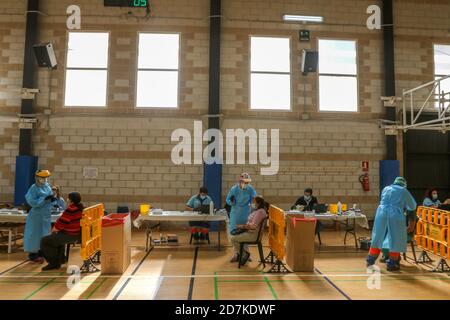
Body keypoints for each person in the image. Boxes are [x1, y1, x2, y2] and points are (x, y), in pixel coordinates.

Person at [366, 177, 417, 271]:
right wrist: (405, 208)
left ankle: (370, 261)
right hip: (395, 215)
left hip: (381, 213)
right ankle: (392, 264)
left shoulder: (386, 188)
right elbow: (412, 205)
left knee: (377, 237)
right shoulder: (403, 190)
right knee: (396, 239)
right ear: (403, 184)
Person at [40, 192, 84, 271]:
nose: (67, 199)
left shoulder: (71, 209)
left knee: (45, 241)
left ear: (71, 200)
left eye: (68, 198)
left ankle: (53, 263)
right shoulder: (81, 208)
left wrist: (53, 230)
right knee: (57, 237)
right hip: (77, 234)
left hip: (71, 235)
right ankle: (60, 259)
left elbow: (61, 223)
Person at [23, 170, 55, 263]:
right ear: (37, 178)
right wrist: (44, 199)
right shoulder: (33, 188)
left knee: (44, 234)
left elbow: (49, 199)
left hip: (46, 215)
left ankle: (42, 253)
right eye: (43, 178)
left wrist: (52, 199)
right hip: (36, 215)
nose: (45, 179)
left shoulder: (47, 187)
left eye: (46, 178)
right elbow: (33, 202)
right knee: (34, 235)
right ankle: (33, 255)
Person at [226, 172, 257, 262]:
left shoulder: (250, 189)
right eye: (244, 182)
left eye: (247, 182)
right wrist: (232, 202)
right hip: (235, 213)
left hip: (246, 213)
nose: (246, 184)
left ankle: (246, 253)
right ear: (240, 181)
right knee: (235, 234)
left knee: (245, 233)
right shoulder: (234, 189)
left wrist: (253, 202)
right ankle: (237, 254)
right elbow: (227, 199)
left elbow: (255, 198)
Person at [229, 196, 269, 266]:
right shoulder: (259, 211)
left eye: (255, 202)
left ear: (258, 203)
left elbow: (253, 226)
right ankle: (241, 255)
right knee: (235, 235)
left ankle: (244, 254)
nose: (253, 203)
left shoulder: (260, 212)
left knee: (233, 239)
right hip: (251, 232)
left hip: (253, 235)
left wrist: (242, 226)